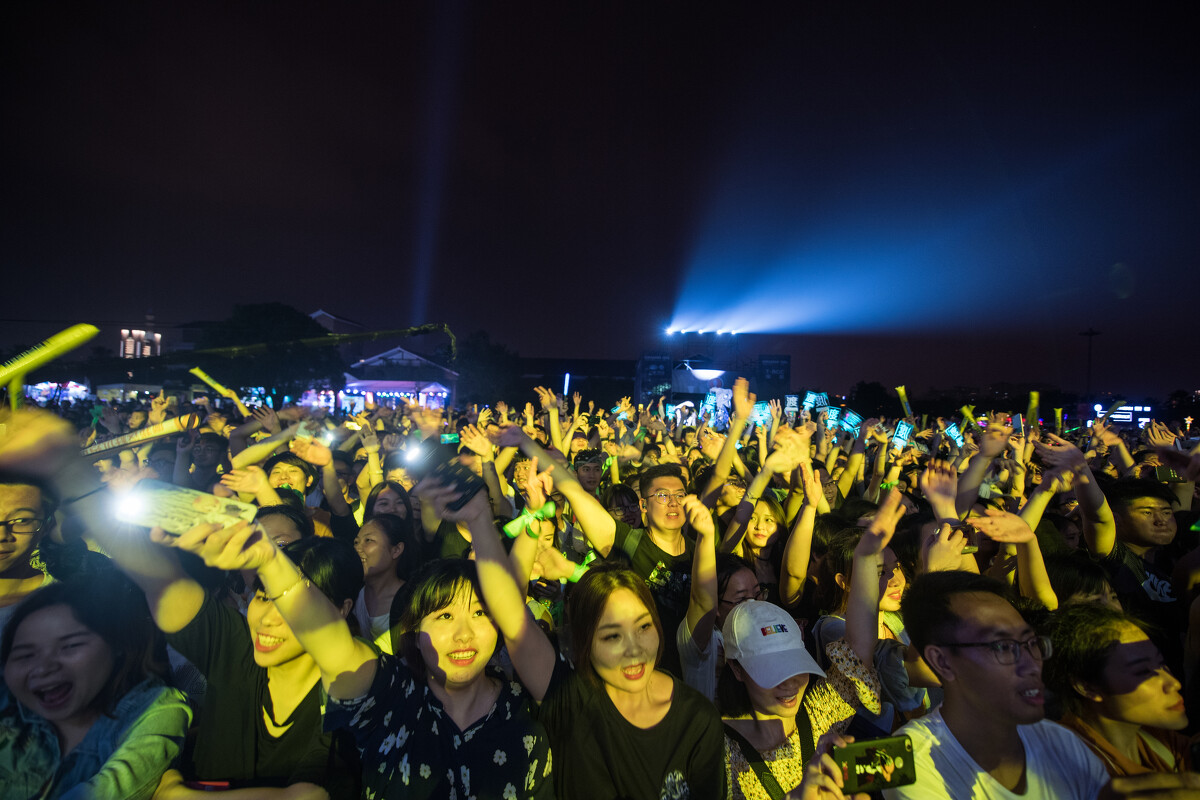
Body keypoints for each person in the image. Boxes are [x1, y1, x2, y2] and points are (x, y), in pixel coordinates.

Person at [174, 491, 554, 799]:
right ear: (412, 631)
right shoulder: (394, 696)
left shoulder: (529, 708)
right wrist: (270, 562)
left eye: (481, 614)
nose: (464, 635)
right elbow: (330, 639)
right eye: (443, 616)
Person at [457, 470, 726, 800]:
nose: (634, 650)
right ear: (585, 641)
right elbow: (510, 614)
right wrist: (493, 519)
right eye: (612, 636)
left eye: (644, 627)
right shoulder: (570, 698)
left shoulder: (698, 718)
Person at [94, 518, 361, 799]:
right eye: (263, 597)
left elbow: (309, 796)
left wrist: (179, 795)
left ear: (341, 609)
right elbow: (161, 579)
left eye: (289, 605)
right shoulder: (235, 646)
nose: (268, 619)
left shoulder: (352, 688)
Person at [888, 570, 1176, 799]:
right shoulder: (903, 757)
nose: (1030, 663)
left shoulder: (1062, 742)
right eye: (1003, 647)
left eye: (1031, 643)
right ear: (942, 661)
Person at [717, 488, 900, 800]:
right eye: (772, 670)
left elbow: (858, 653)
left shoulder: (818, 716)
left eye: (795, 666)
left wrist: (866, 558)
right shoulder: (718, 750)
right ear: (737, 668)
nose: (790, 684)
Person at [0, 572, 191, 799]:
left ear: (117, 644)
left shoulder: (154, 708)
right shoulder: (8, 703)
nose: (43, 668)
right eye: (25, 655)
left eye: (70, 646)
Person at [1041, 603, 1194, 776]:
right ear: (1087, 687)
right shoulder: (1068, 767)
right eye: (1143, 671)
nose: (1174, 683)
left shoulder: (1157, 738)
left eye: (1161, 663)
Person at [352, 512, 420, 654]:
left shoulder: (411, 602)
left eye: (368, 540)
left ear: (396, 550)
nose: (358, 548)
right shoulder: (352, 596)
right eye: (356, 542)